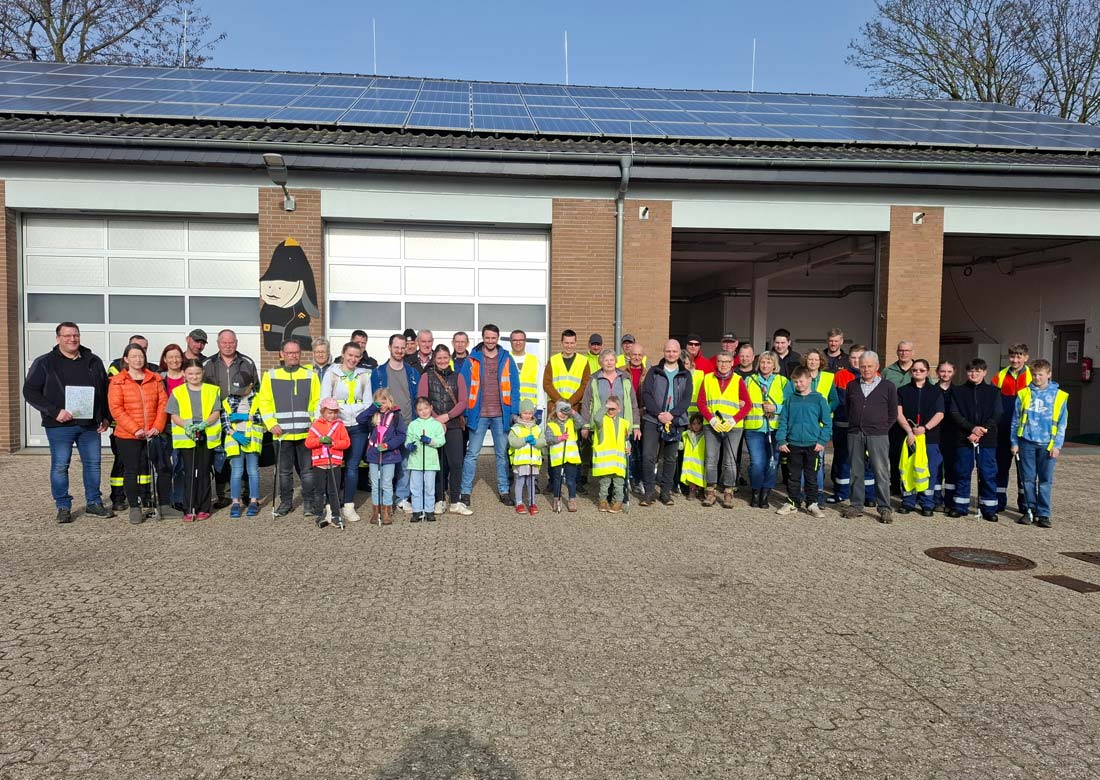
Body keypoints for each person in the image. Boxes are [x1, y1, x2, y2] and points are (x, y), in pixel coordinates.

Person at [24, 323, 114, 523]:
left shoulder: (93, 360)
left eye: (75, 335)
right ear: (58, 338)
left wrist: (106, 416)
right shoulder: (45, 362)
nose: (72, 339)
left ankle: (94, 502)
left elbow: (105, 391)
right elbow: (29, 391)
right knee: (60, 465)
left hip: (89, 425)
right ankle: (63, 506)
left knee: (93, 465)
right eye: (67, 336)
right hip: (59, 425)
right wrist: (54, 412)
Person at [256, 339, 321, 518]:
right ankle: (286, 502)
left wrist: (315, 424)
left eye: (296, 352)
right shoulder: (270, 375)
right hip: (281, 433)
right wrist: (271, 424)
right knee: (284, 472)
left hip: (305, 432)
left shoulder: (311, 375)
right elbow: (264, 402)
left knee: (307, 472)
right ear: (282, 354)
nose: (293, 355)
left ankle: (309, 503)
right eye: (289, 352)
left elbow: (317, 401)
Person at [458, 324, 521, 508]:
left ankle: (504, 491)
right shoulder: (472, 359)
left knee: (502, 455)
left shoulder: (506, 358)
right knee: (472, 454)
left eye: (493, 338)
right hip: (478, 414)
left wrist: (514, 411)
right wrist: (465, 412)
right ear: (483, 338)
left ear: (498, 338)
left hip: (501, 415)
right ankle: (465, 491)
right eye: (487, 338)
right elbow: (463, 387)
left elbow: (515, 387)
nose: (490, 341)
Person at [107, 343, 168, 525]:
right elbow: (116, 408)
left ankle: (159, 503)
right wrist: (135, 429)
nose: (138, 359)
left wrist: (157, 426)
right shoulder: (117, 381)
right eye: (133, 356)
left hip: (152, 432)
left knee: (160, 468)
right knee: (131, 470)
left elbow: (163, 404)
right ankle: (135, 507)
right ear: (126, 359)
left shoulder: (155, 379)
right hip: (128, 435)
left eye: (140, 356)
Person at [202, 329, 259, 510]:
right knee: (220, 456)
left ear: (236, 343)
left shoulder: (247, 362)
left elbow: (256, 388)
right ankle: (224, 494)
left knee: (243, 457)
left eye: (231, 342)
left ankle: (246, 493)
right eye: (224, 342)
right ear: (218, 343)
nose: (228, 346)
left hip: (242, 417)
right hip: (215, 415)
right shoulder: (208, 364)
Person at [841, 350, 898, 523]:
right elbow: (848, 408)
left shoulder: (888, 386)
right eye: (863, 366)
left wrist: (882, 428)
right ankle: (856, 505)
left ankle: (884, 507)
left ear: (877, 366)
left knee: (881, 471)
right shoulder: (852, 385)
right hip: (855, 433)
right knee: (856, 471)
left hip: (878, 434)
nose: (866, 369)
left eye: (870, 366)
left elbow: (893, 412)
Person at [1011, 358, 1068, 529]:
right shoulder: (1023, 393)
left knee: (1045, 480)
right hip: (1026, 442)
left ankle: (1043, 514)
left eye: (1040, 375)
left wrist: (1057, 445)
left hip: (1047, 444)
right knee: (1027, 479)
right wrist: (1014, 442)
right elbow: (1015, 420)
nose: (1037, 378)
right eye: (1034, 375)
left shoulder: (1059, 396)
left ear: (1049, 374)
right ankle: (1029, 510)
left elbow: (1062, 423)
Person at [579, 348, 642, 504]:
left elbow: (633, 402)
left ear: (616, 361)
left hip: (622, 424)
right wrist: (585, 425)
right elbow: (586, 403)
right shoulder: (594, 379)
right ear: (601, 362)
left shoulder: (624, 378)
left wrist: (636, 425)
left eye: (612, 360)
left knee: (620, 459)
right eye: (606, 360)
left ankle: (619, 492)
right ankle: (605, 493)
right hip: (602, 425)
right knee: (605, 459)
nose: (609, 363)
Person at [320, 341, 373, 523]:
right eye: (350, 355)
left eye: (357, 356)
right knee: (333, 466)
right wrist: (325, 425)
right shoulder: (331, 374)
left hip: (358, 427)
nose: (353, 359)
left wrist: (361, 419)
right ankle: (331, 506)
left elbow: (368, 403)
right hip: (337, 425)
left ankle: (349, 505)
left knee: (352, 467)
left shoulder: (364, 375)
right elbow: (324, 400)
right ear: (343, 354)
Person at [371, 333, 422, 513]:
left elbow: (417, 398)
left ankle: (401, 498)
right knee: (386, 465)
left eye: (402, 347)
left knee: (406, 464)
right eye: (396, 347)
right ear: (389, 347)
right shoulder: (378, 372)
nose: (399, 350)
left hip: (407, 423)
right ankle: (384, 500)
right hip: (386, 427)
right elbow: (375, 400)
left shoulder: (413, 372)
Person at [418, 344, 470, 515]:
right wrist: (435, 419)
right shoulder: (426, 377)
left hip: (453, 425)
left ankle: (455, 501)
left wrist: (446, 416)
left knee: (456, 463)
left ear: (450, 358)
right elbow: (422, 400)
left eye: (445, 357)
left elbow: (463, 402)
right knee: (438, 464)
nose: (442, 361)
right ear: (434, 359)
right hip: (433, 426)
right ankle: (439, 500)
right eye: (439, 358)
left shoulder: (458, 377)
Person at [639, 340, 693, 506]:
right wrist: (659, 414)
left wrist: (672, 415)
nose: (671, 354)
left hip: (675, 420)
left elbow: (686, 399)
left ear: (679, 353)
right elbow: (646, 394)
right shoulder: (654, 371)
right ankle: (649, 491)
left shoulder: (685, 374)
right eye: (668, 351)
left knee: (670, 458)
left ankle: (665, 492)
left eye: (674, 351)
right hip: (652, 419)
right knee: (648, 456)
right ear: (664, 352)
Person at [948, 358, 1001, 521]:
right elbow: (954, 413)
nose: (974, 374)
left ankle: (989, 508)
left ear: (984, 372)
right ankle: (960, 506)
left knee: (987, 473)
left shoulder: (994, 392)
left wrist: (982, 430)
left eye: (978, 371)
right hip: (964, 438)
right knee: (962, 472)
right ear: (966, 372)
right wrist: (971, 428)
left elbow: (997, 413)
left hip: (987, 439)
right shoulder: (958, 391)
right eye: (971, 371)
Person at [168, 358, 221, 522]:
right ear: (184, 374)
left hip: (206, 434)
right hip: (187, 436)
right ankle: (189, 507)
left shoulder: (212, 390)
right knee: (190, 473)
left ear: (202, 373)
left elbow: (216, 411)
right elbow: (174, 414)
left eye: (197, 373)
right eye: (190, 373)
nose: (194, 376)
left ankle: (204, 507)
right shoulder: (177, 392)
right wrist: (186, 425)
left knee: (204, 471)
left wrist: (205, 424)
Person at [696, 350, 751, 508]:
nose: (723, 365)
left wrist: (734, 420)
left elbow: (747, 404)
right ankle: (710, 491)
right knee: (711, 459)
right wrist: (711, 419)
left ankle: (728, 492)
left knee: (729, 461)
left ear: (732, 363)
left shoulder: (738, 380)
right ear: (716, 362)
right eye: (720, 361)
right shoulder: (708, 378)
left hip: (733, 427)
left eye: (727, 362)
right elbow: (701, 402)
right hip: (712, 425)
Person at [776, 366, 832, 518]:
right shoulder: (790, 400)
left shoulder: (819, 399)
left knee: (811, 477)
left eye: (801, 381)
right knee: (793, 476)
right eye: (795, 382)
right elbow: (783, 421)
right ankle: (793, 502)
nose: (798, 384)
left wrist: (822, 441)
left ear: (809, 379)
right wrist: (781, 440)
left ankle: (812, 503)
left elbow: (827, 423)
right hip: (793, 445)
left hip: (813, 446)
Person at [895, 359, 944, 517]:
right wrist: (909, 431)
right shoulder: (902, 391)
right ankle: (908, 501)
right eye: (915, 370)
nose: (918, 372)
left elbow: (940, 413)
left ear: (927, 372)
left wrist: (925, 428)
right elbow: (898, 413)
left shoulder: (936, 392)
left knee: (929, 470)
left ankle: (927, 503)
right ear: (911, 372)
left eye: (922, 370)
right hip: (908, 437)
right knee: (908, 468)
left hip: (929, 438)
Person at [106, 334, 150, 510]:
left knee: (144, 464)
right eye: (136, 349)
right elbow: (116, 404)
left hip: (146, 429)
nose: (140, 353)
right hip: (123, 428)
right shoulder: (116, 370)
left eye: (144, 349)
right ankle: (118, 497)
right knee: (122, 463)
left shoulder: (151, 372)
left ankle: (144, 496)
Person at [742, 351, 788, 509]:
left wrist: (776, 408)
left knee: (772, 462)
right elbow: (743, 401)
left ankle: (765, 493)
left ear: (775, 365)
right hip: (754, 429)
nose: (765, 365)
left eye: (769, 362)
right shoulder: (749, 380)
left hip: (775, 429)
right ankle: (756, 491)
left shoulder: (782, 381)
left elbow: (790, 404)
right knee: (757, 462)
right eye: (762, 362)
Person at [992, 343, 1032, 514]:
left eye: (1019, 356)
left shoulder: (1033, 376)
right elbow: (992, 403)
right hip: (1002, 430)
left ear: (1026, 357)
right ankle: (999, 501)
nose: (1015, 360)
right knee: (1001, 468)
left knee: (1025, 471)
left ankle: (1025, 504)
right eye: (1012, 356)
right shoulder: (999, 376)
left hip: (1025, 432)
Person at [359, 387, 406, 526]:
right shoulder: (372, 415)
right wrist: (372, 408)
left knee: (386, 483)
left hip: (390, 455)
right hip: (374, 454)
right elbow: (359, 419)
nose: (381, 405)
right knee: (375, 484)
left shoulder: (396, 416)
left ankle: (386, 511)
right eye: (378, 403)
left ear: (389, 401)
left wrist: (388, 445)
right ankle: (376, 511)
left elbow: (401, 435)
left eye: (384, 402)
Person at [799, 349, 839, 509]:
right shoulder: (800, 375)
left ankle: (818, 494)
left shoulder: (828, 377)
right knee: (802, 462)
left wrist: (823, 411)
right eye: (810, 359)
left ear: (821, 361)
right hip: (802, 424)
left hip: (820, 427)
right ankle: (802, 494)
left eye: (816, 359)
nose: (813, 362)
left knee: (818, 462)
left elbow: (835, 400)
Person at [221, 373, 264, 519]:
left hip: (252, 439)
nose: (238, 392)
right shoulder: (228, 400)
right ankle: (235, 502)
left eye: (242, 389)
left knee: (253, 471)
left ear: (250, 385)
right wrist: (233, 433)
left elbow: (264, 418)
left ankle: (253, 500)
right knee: (236, 471)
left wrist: (247, 417)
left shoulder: (259, 399)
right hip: (234, 439)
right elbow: (225, 420)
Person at [305, 397, 352, 528]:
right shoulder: (316, 425)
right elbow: (308, 443)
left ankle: (336, 515)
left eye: (335, 412)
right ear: (323, 412)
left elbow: (346, 442)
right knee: (319, 490)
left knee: (334, 490)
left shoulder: (340, 426)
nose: (333, 415)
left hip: (334, 463)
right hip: (319, 463)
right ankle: (319, 514)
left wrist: (334, 443)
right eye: (330, 412)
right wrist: (319, 441)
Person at [403, 397, 447, 522]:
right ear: (416, 411)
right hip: (415, 461)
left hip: (430, 462)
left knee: (429, 487)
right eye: (420, 410)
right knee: (415, 487)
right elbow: (408, 439)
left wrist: (430, 441)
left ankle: (429, 510)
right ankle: (417, 511)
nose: (424, 411)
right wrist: (409, 445)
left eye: (426, 408)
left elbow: (441, 440)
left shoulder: (436, 425)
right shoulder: (413, 425)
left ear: (431, 408)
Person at [156, 344, 186, 514]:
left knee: (180, 465)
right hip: (164, 426)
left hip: (183, 426)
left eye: (177, 356)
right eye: (171, 357)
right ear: (165, 359)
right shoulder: (159, 378)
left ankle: (179, 499)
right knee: (164, 466)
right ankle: (164, 500)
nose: (174, 360)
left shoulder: (189, 376)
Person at [592, 395, 632, 513]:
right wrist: (605, 407)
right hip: (605, 461)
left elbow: (626, 440)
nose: (610, 411)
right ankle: (603, 501)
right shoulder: (602, 421)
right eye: (608, 408)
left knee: (619, 484)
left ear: (619, 409)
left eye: (613, 409)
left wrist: (629, 448)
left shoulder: (624, 423)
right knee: (605, 483)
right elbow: (596, 418)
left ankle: (617, 502)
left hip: (619, 461)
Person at [545, 400, 582, 513]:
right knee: (557, 480)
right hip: (557, 458)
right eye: (561, 411)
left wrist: (573, 412)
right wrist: (559, 438)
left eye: (565, 412)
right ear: (556, 411)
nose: (563, 414)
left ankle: (572, 499)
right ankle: (556, 499)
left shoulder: (571, 422)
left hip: (571, 457)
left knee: (571, 480)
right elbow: (548, 439)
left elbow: (581, 422)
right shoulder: (550, 424)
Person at [507, 399, 543, 515]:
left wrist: (535, 442)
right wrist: (524, 440)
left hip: (533, 461)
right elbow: (513, 442)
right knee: (519, 482)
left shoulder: (537, 428)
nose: (527, 416)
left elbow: (543, 442)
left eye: (530, 413)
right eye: (525, 413)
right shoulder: (515, 428)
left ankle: (532, 502)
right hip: (521, 461)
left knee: (531, 482)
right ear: (520, 413)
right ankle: (519, 503)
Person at [623, 342, 648, 489]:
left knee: (642, 450)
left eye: (639, 355)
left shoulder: (649, 373)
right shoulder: (621, 372)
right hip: (627, 415)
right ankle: (629, 478)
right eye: (634, 354)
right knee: (628, 448)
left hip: (644, 415)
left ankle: (640, 479)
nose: (637, 357)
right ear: (629, 355)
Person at [934, 361, 958, 510]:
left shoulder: (958, 391)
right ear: (937, 372)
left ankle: (950, 500)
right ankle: (936, 500)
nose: (945, 374)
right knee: (936, 468)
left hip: (953, 434)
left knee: (951, 468)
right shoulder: (931, 390)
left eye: (949, 371)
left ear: (953, 372)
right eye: (943, 371)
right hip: (935, 434)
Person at [509, 329, 541, 418]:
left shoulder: (535, 360)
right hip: (510, 408)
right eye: (515, 340)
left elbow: (540, 385)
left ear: (525, 341)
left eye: (521, 340)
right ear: (510, 342)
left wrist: (540, 408)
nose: (518, 342)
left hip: (530, 409)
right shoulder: (505, 359)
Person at [680, 413, 707, 499]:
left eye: (699, 423)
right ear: (690, 424)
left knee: (701, 477)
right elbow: (682, 445)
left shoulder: (705, 435)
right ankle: (692, 491)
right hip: (690, 462)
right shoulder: (686, 434)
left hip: (700, 461)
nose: (696, 426)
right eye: (694, 424)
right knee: (691, 476)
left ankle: (701, 491)